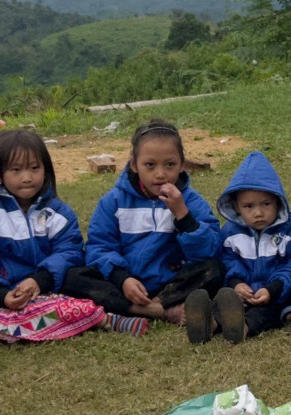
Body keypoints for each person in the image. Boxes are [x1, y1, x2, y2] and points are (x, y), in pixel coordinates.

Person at [0, 130, 128, 342]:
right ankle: (100, 318)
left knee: (81, 278)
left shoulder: (58, 213)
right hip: (7, 296)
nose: (27, 177)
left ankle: (103, 313)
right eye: (16, 170)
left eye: (34, 168)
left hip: (51, 288)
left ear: (45, 170)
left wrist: (41, 280)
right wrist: (2, 294)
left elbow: (69, 251)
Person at [64, 119, 222, 342]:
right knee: (73, 277)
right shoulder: (114, 201)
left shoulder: (190, 201)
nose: (160, 174)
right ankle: (161, 311)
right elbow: (99, 246)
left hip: (171, 284)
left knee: (214, 268)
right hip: (126, 283)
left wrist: (183, 215)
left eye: (170, 165)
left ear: (182, 164)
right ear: (134, 165)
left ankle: (151, 305)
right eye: (150, 165)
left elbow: (208, 250)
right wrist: (122, 278)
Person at [208, 150, 291, 343]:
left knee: (266, 314)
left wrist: (272, 289)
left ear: (278, 201)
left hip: (276, 297)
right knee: (224, 302)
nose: (258, 213)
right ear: (236, 207)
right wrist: (236, 283)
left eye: (266, 204)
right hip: (241, 294)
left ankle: (242, 327)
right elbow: (226, 259)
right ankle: (210, 323)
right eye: (249, 206)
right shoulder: (231, 232)